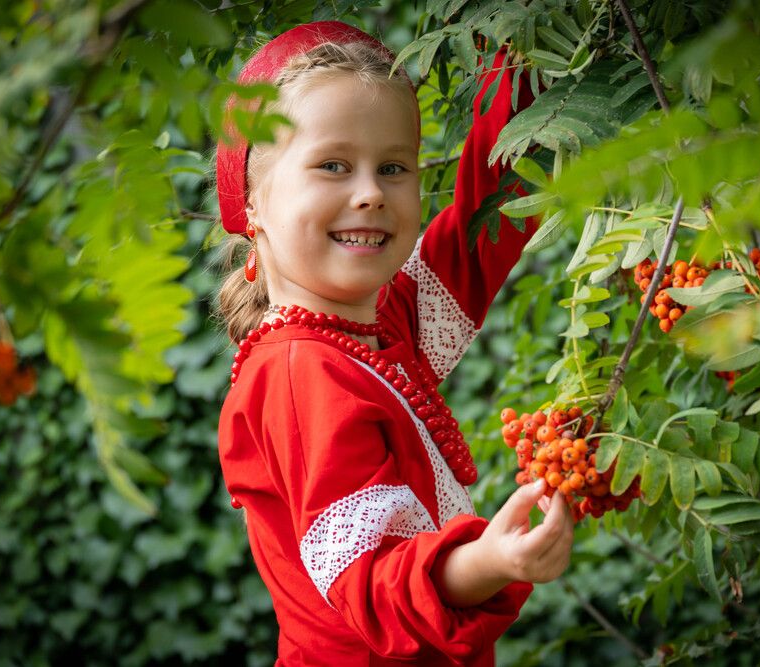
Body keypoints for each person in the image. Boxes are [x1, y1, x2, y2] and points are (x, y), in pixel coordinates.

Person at [215, 21, 575, 666]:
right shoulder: (301, 374)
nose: (370, 193)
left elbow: (486, 212)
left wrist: (529, 42)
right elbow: (372, 586)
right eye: (332, 165)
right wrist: (489, 561)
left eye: (393, 167)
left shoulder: (379, 332)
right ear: (254, 204)